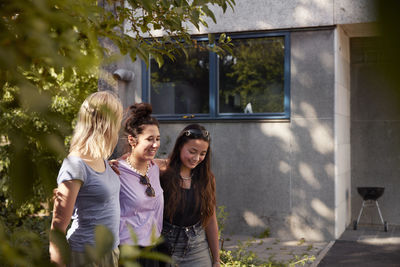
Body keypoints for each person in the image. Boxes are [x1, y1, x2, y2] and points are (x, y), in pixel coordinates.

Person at [49, 91, 123, 267]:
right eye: (118, 119)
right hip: (86, 255)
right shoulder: (75, 165)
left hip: (110, 251)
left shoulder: (101, 158)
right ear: (106, 123)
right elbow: (57, 228)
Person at [160, 124, 220, 267]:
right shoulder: (162, 173)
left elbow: (210, 218)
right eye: (192, 151)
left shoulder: (207, 179)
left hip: (196, 245)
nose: (197, 158)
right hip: (165, 244)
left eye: (202, 153)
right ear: (180, 146)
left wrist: (216, 259)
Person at [117, 103, 164, 267]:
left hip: (153, 249)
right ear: (132, 140)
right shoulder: (116, 172)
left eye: (158, 139)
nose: (156, 144)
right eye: (150, 139)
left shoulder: (154, 169)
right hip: (128, 251)